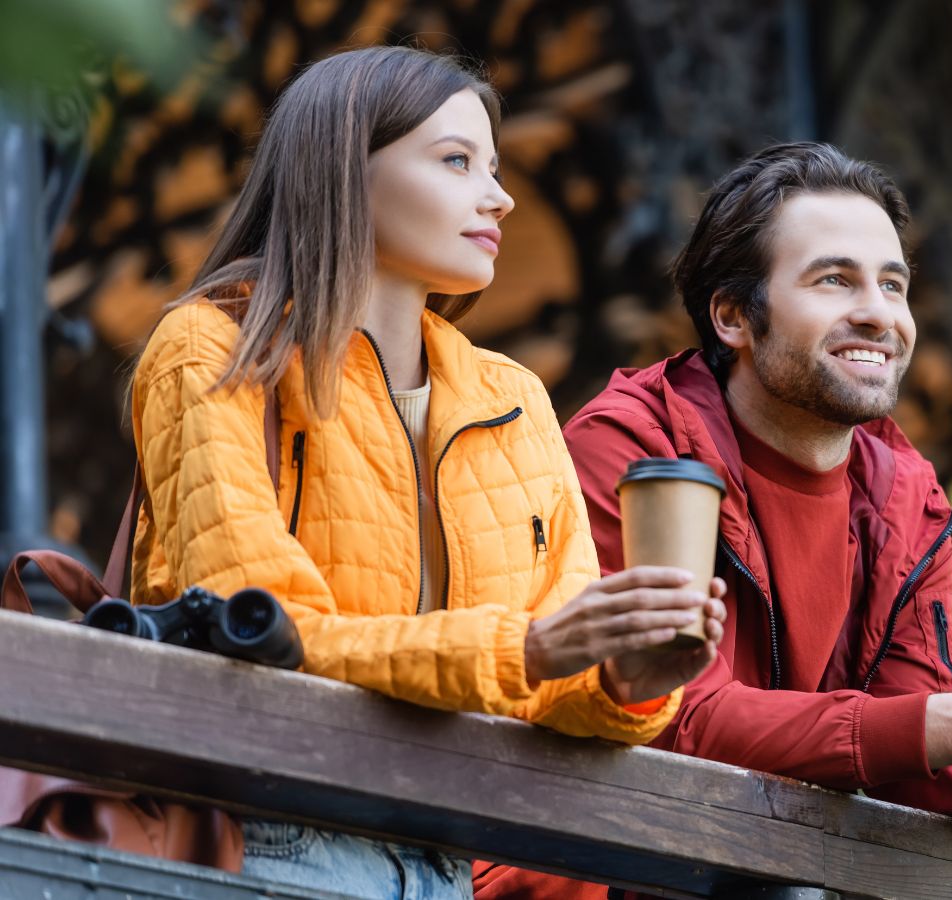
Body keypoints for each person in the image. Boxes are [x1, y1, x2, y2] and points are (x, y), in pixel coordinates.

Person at [127, 46, 725, 899]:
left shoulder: (514, 397)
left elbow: (550, 674)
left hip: (445, 863)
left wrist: (629, 679)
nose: (500, 194)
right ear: (344, 171)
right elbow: (257, 630)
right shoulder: (213, 348)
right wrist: (529, 648)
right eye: (457, 162)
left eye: (494, 165)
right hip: (260, 842)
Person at [473, 143, 952, 900]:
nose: (878, 314)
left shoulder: (904, 500)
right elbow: (672, 717)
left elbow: (922, 765)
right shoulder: (634, 447)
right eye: (833, 280)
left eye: (893, 285)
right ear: (732, 316)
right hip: (602, 876)